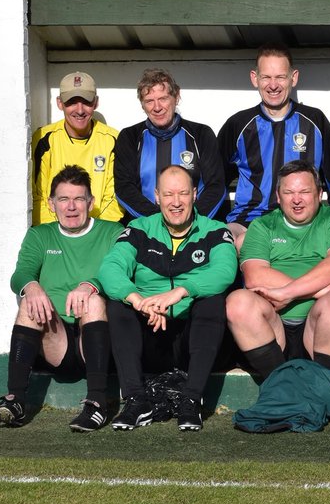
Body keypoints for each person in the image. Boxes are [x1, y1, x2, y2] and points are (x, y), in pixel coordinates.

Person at [98, 165, 237, 431]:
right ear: (156, 196)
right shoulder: (138, 229)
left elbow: (225, 271)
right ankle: (136, 401)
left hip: (195, 341)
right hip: (150, 335)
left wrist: (180, 292)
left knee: (212, 300)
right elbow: (110, 268)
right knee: (118, 304)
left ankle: (191, 400)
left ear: (194, 194)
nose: (176, 202)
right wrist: (138, 301)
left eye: (183, 193)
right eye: (168, 194)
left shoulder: (216, 231)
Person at [0, 166, 123, 431]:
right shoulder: (40, 235)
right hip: (56, 342)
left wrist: (91, 285)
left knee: (94, 300)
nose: (71, 207)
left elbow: (121, 273)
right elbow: (20, 275)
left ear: (91, 202)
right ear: (52, 204)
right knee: (28, 301)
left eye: (78, 199)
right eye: (63, 199)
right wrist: (31, 286)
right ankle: (16, 400)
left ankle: (97, 403)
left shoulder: (113, 232)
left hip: (97, 342)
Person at [226, 161, 330, 383]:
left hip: (320, 326)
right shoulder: (262, 225)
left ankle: (321, 386)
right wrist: (318, 290)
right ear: (278, 197)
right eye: (288, 193)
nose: (296, 199)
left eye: (304, 191)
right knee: (237, 302)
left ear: (319, 193)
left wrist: (287, 293)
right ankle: (279, 385)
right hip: (273, 325)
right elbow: (254, 276)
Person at [219, 43, 330, 247]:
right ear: (255, 78)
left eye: (280, 77)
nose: (273, 85)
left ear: (294, 78)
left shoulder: (315, 121)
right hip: (250, 219)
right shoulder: (238, 124)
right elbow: (215, 178)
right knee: (225, 242)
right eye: (266, 77)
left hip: (303, 220)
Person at [114, 68, 226, 222]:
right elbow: (124, 188)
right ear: (142, 105)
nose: (157, 107)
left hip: (194, 225)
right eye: (149, 101)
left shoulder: (201, 135)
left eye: (163, 98)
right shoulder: (130, 137)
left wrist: (190, 221)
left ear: (177, 97)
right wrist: (159, 222)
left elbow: (216, 187)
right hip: (146, 225)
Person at [31, 71, 121, 224]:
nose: (80, 110)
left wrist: (94, 229)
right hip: (54, 230)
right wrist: (59, 230)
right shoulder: (43, 139)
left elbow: (116, 197)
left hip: (98, 230)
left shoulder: (113, 139)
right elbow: (36, 196)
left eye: (86, 101)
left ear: (96, 102)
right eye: (72, 102)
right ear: (60, 103)